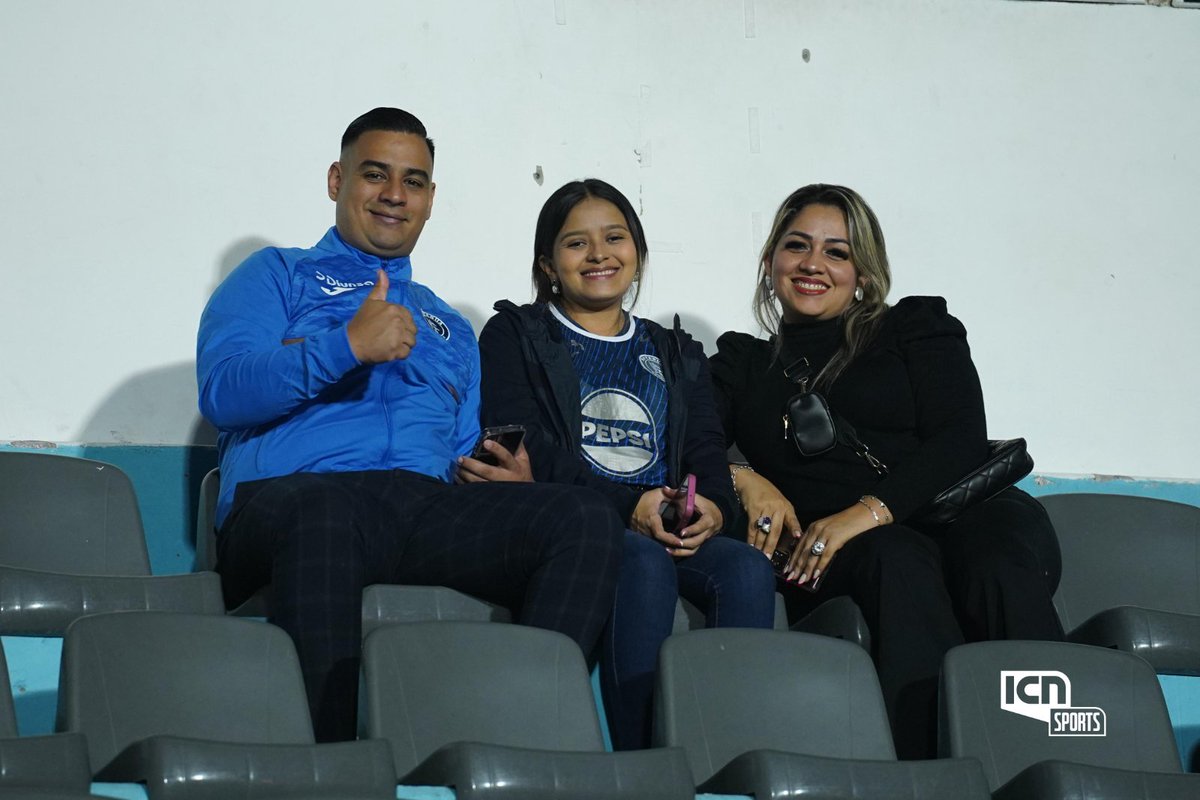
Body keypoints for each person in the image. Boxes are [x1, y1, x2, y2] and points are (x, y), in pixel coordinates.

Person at [196, 109, 623, 742]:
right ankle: (331, 768)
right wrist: (345, 347)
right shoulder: (275, 275)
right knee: (325, 514)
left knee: (581, 518)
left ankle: (521, 743)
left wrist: (501, 483)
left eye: (414, 181)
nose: (395, 194)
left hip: (419, 508)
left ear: (429, 201)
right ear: (338, 180)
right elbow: (223, 393)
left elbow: (458, 452)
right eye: (375, 174)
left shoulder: (448, 324)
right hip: (294, 501)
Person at [710, 183, 1064, 759]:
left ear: (864, 273)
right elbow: (690, 443)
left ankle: (1054, 762)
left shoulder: (914, 327)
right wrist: (742, 477)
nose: (813, 264)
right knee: (896, 559)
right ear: (771, 260)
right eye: (797, 246)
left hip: (968, 516)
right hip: (865, 553)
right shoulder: (742, 365)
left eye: (837, 252)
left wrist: (862, 514)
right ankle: (935, 773)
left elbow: (960, 439)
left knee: (994, 567)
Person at [467, 178, 775, 750]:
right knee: (642, 563)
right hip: (584, 526)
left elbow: (706, 444)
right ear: (548, 264)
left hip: (665, 521)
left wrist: (708, 502)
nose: (600, 254)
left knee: (747, 569)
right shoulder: (517, 334)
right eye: (576, 243)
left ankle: (724, 758)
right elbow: (529, 445)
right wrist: (625, 506)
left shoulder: (674, 350)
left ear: (637, 251)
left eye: (615, 237)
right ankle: (639, 762)